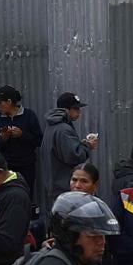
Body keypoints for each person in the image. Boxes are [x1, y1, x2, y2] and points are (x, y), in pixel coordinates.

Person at [43, 93, 95, 221]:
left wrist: (80, 144)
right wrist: (88, 146)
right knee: (69, 225)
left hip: (55, 185)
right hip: (64, 186)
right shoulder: (63, 129)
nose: (79, 112)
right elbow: (74, 156)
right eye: (76, 108)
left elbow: (63, 151)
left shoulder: (53, 126)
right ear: (66, 110)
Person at [0, 86, 42, 188]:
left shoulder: (28, 115)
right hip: (4, 167)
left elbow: (39, 140)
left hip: (26, 166)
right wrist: (2, 139)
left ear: (9, 101)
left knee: (25, 194)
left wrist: (22, 135)